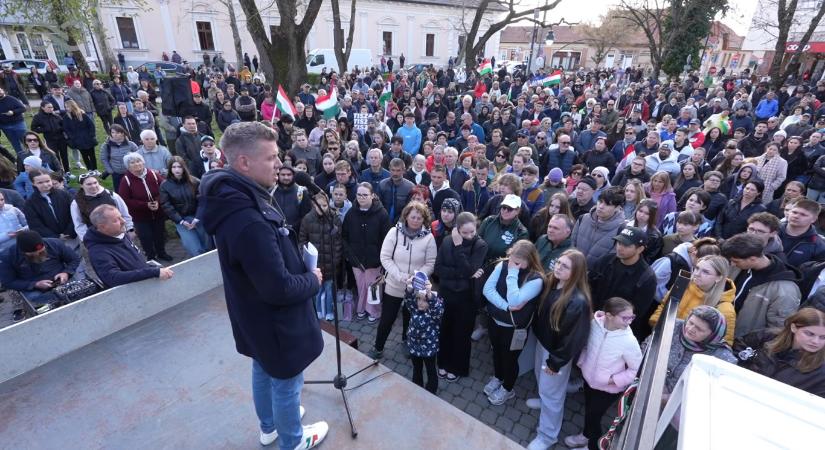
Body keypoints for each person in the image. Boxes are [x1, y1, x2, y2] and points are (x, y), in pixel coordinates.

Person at [198, 122, 329, 448]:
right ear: (243, 162)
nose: (280, 165)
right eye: (271, 158)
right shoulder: (248, 218)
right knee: (286, 381)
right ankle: (292, 441)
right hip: (274, 322)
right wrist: (312, 280)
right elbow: (279, 289)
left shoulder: (236, 198)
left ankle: (270, 426)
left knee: (263, 366)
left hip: (253, 316)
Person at [525, 248, 590, 450]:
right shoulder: (554, 283)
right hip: (543, 343)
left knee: (553, 395)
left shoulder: (578, 302)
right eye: (559, 263)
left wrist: (555, 362)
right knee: (543, 383)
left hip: (555, 353)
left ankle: (547, 437)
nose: (558, 267)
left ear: (576, 273)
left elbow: (572, 340)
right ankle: (543, 402)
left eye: (565, 266)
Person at [563, 298, 642, 450]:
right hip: (589, 381)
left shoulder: (629, 341)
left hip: (608, 389)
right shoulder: (594, 325)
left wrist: (612, 380)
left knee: (594, 416)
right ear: (609, 315)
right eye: (625, 317)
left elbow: (635, 369)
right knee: (590, 412)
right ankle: (585, 436)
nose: (630, 321)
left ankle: (593, 446)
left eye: (632, 317)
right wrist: (583, 363)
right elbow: (586, 346)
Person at [369, 201, 437, 359]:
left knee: (411, 318)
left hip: (416, 287)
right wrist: (399, 275)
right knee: (387, 319)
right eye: (412, 217)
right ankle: (378, 347)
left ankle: (407, 341)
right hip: (394, 284)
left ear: (424, 220)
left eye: (419, 218)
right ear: (406, 216)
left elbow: (430, 263)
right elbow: (385, 257)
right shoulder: (394, 232)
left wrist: (417, 277)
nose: (415, 220)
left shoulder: (429, 238)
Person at [483, 240, 546, 406]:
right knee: (496, 351)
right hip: (495, 319)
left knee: (510, 359)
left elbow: (515, 298)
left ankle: (507, 388)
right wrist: (506, 307)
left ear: (529, 261)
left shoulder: (536, 279)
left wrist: (512, 274)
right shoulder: (505, 264)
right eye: (510, 259)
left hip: (514, 328)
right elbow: (487, 289)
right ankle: (498, 377)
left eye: (517, 263)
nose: (511, 264)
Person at [435, 212, 487, 381]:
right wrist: (464, 274)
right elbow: (438, 269)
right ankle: (443, 362)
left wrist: (459, 248)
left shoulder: (480, 245)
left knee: (462, 334)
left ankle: (458, 367)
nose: (470, 236)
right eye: (465, 233)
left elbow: (470, 270)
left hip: (466, 297)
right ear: (457, 230)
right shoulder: (447, 240)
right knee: (445, 330)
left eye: (472, 232)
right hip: (447, 293)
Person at [721, 233, 800, 339]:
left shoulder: (785, 291)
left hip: (743, 345)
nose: (733, 264)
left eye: (736, 261)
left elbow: (778, 330)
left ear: (753, 259)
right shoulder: (740, 267)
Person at [645, 306, 737, 396]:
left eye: (699, 329)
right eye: (691, 322)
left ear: (713, 335)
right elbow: (646, 348)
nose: (691, 329)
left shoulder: (722, 359)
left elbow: (713, 394)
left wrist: (669, 400)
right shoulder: (672, 326)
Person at [735, 308, 825, 398]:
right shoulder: (768, 337)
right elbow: (738, 347)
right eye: (809, 334)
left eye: (822, 337)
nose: (815, 341)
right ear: (794, 327)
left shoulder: (821, 371)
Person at [589, 226, 657, 340]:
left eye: (626, 245)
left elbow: (635, 313)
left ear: (640, 249)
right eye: (619, 243)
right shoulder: (605, 261)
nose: (619, 248)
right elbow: (588, 286)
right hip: (592, 320)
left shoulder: (647, 278)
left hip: (615, 333)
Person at [649, 255, 737, 344]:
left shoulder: (725, 309)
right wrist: (656, 325)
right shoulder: (682, 285)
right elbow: (664, 306)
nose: (697, 274)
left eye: (705, 272)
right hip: (660, 340)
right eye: (697, 268)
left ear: (719, 278)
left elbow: (723, 344)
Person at [84, 205, 173, 288]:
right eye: (116, 220)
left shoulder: (120, 234)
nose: (123, 221)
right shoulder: (98, 252)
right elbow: (113, 278)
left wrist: (152, 269)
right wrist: (152, 272)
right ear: (102, 227)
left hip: (145, 288)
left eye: (121, 217)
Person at [342, 182, 391, 322]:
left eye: (365, 195)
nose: (361, 198)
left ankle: (374, 312)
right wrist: (350, 256)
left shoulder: (382, 214)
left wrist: (381, 259)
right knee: (361, 286)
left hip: (374, 260)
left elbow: (387, 239)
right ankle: (361, 309)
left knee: (374, 288)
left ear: (372, 195)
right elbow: (344, 236)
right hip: (356, 260)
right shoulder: (351, 213)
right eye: (359, 195)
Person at [0, 230, 80, 304]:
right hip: (33, 288)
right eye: (34, 254)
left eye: (41, 252)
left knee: (75, 291)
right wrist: (35, 284)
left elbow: (74, 259)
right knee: (37, 300)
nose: (39, 255)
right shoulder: (7, 256)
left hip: (61, 280)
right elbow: (8, 282)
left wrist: (66, 272)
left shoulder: (55, 243)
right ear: (24, 252)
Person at [118, 152, 171, 262]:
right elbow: (125, 200)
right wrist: (145, 205)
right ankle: (151, 257)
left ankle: (161, 252)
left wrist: (157, 201)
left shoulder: (153, 174)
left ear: (143, 162)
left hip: (158, 212)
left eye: (138, 161)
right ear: (128, 166)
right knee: (145, 237)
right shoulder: (126, 180)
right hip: (140, 216)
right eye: (132, 162)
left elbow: (164, 189)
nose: (137, 164)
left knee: (159, 234)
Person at [299, 191, 343, 322]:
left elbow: (338, 242)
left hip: (331, 262)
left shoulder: (335, 219)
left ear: (328, 205)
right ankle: (317, 310)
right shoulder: (307, 219)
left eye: (324, 206)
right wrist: (306, 258)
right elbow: (302, 240)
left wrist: (335, 260)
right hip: (315, 263)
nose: (321, 208)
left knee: (330, 288)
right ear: (313, 205)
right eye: (318, 206)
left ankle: (329, 311)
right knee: (316, 288)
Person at [160, 157, 210, 257]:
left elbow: (203, 200)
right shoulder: (165, 185)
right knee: (194, 248)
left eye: (179, 166)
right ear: (170, 169)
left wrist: (197, 218)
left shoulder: (194, 181)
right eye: (174, 167)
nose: (177, 170)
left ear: (184, 168)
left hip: (198, 217)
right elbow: (167, 205)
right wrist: (181, 221)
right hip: (182, 220)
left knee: (207, 246)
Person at [404, 275, 445, 394]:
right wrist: (410, 288)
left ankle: (431, 392)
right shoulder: (414, 308)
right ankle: (417, 389)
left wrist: (430, 296)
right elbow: (409, 300)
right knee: (417, 369)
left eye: (425, 300)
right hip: (414, 346)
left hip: (429, 348)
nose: (421, 303)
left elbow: (438, 310)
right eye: (419, 299)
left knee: (431, 370)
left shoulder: (433, 312)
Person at [70, 170, 133, 241]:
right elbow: (79, 224)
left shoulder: (112, 195)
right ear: (81, 185)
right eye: (89, 184)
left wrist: (129, 228)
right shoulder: (76, 203)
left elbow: (124, 213)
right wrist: (87, 239)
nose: (93, 186)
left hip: (119, 234)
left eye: (95, 183)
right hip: (97, 239)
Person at [571, 186, 626, 267]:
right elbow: (572, 245)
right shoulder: (583, 218)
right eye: (600, 201)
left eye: (607, 204)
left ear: (618, 208)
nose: (601, 206)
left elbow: (612, 260)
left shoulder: (621, 230)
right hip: (573, 268)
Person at [23, 169, 76, 240]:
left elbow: (74, 213)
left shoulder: (64, 194)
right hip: (51, 240)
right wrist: (56, 237)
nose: (45, 184)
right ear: (33, 183)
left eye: (47, 181)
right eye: (40, 183)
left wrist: (69, 232)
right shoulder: (30, 203)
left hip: (72, 235)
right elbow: (36, 225)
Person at [779, 199, 825, 268]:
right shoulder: (772, 230)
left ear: (814, 219)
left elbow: (814, 272)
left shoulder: (818, 245)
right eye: (794, 212)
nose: (796, 216)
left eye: (803, 215)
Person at [100, 124, 140, 191]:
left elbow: (139, 156)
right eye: (113, 132)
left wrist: (135, 167)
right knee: (119, 191)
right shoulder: (106, 146)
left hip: (130, 172)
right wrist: (110, 170)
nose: (115, 134)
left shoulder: (130, 144)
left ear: (122, 133)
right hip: (116, 173)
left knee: (133, 189)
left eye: (117, 132)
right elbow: (104, 158)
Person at [63, 99, 98, 170]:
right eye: (65, 107)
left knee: (92, 155)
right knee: (84, 155)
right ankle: (90, 169)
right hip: (77, 140)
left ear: (73, 106)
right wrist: (72, 138)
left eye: (68, 107)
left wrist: (91, 135)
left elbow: (91, 125)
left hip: (88, 138)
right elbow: (66, 129)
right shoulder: (66, 117)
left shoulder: (82, 115)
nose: (66, 109)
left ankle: (95, 169)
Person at [0, 87, 27, 155]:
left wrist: (13, 112)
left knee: (26, 141)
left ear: (3, 90)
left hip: (18, 124)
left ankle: (35, 157)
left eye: (0, 90)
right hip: (5, 127)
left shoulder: (11, 99)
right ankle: (23, 160)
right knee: (15, 144)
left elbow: (23, 108)